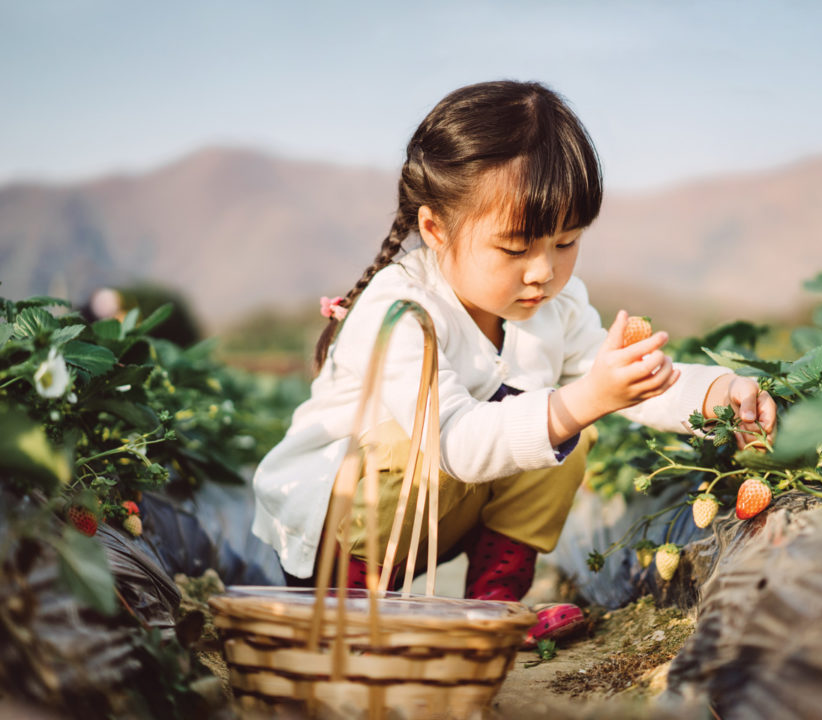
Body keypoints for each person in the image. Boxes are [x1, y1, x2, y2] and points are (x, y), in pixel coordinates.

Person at [252, 80, 777, 646]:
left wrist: (716, 393)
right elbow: (451, 443)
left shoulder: (557, 307)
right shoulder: (399, 313)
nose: (542, 272)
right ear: (435, 229)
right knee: (514, 424)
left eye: (566, 242)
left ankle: (494, 607)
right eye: (515, 248)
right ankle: (347, 613)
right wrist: (583, 399)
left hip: (433, 523)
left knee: (563, 440)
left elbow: (642, 384)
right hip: (339, 542)